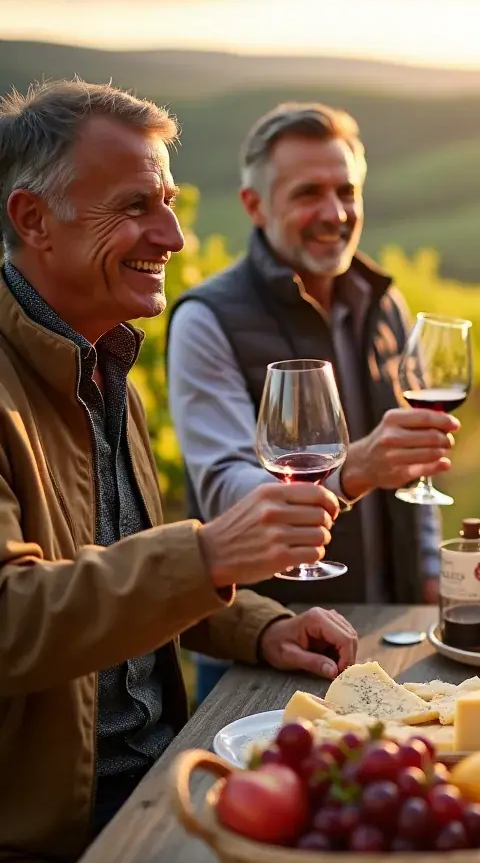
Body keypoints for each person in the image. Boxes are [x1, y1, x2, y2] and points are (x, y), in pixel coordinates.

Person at [0, 79, 360, 863]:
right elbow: (11, 616)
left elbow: (116, 569)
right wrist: (209, 552)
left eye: (168, 202)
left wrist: (260, 625)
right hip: (32, 854)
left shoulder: (105, 367)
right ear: (33, 220)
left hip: (155, 788)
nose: (173, 236)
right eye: (136, 207)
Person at [166, 102, 456, 696]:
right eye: (308, 194)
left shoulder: (384, 304)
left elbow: (412, 458)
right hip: (268, 648)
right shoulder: (207, 319)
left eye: (346, 192)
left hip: (386, 632)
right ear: (255, 205)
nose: (335, 213)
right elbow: (224, 489)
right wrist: (349, 473)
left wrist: (430, 571)